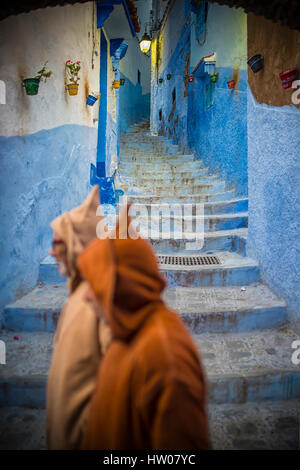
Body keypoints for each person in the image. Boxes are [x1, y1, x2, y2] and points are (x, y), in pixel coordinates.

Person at [77, 207, 211, 450]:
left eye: (94, 285)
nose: (86, 296)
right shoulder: (127, 329)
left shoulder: (166, 359)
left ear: (120, 287)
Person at [46, 186, 111, 450]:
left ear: (77, 244)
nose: (52, 253)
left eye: (58, 243)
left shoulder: (98, 301)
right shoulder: (77, 295)